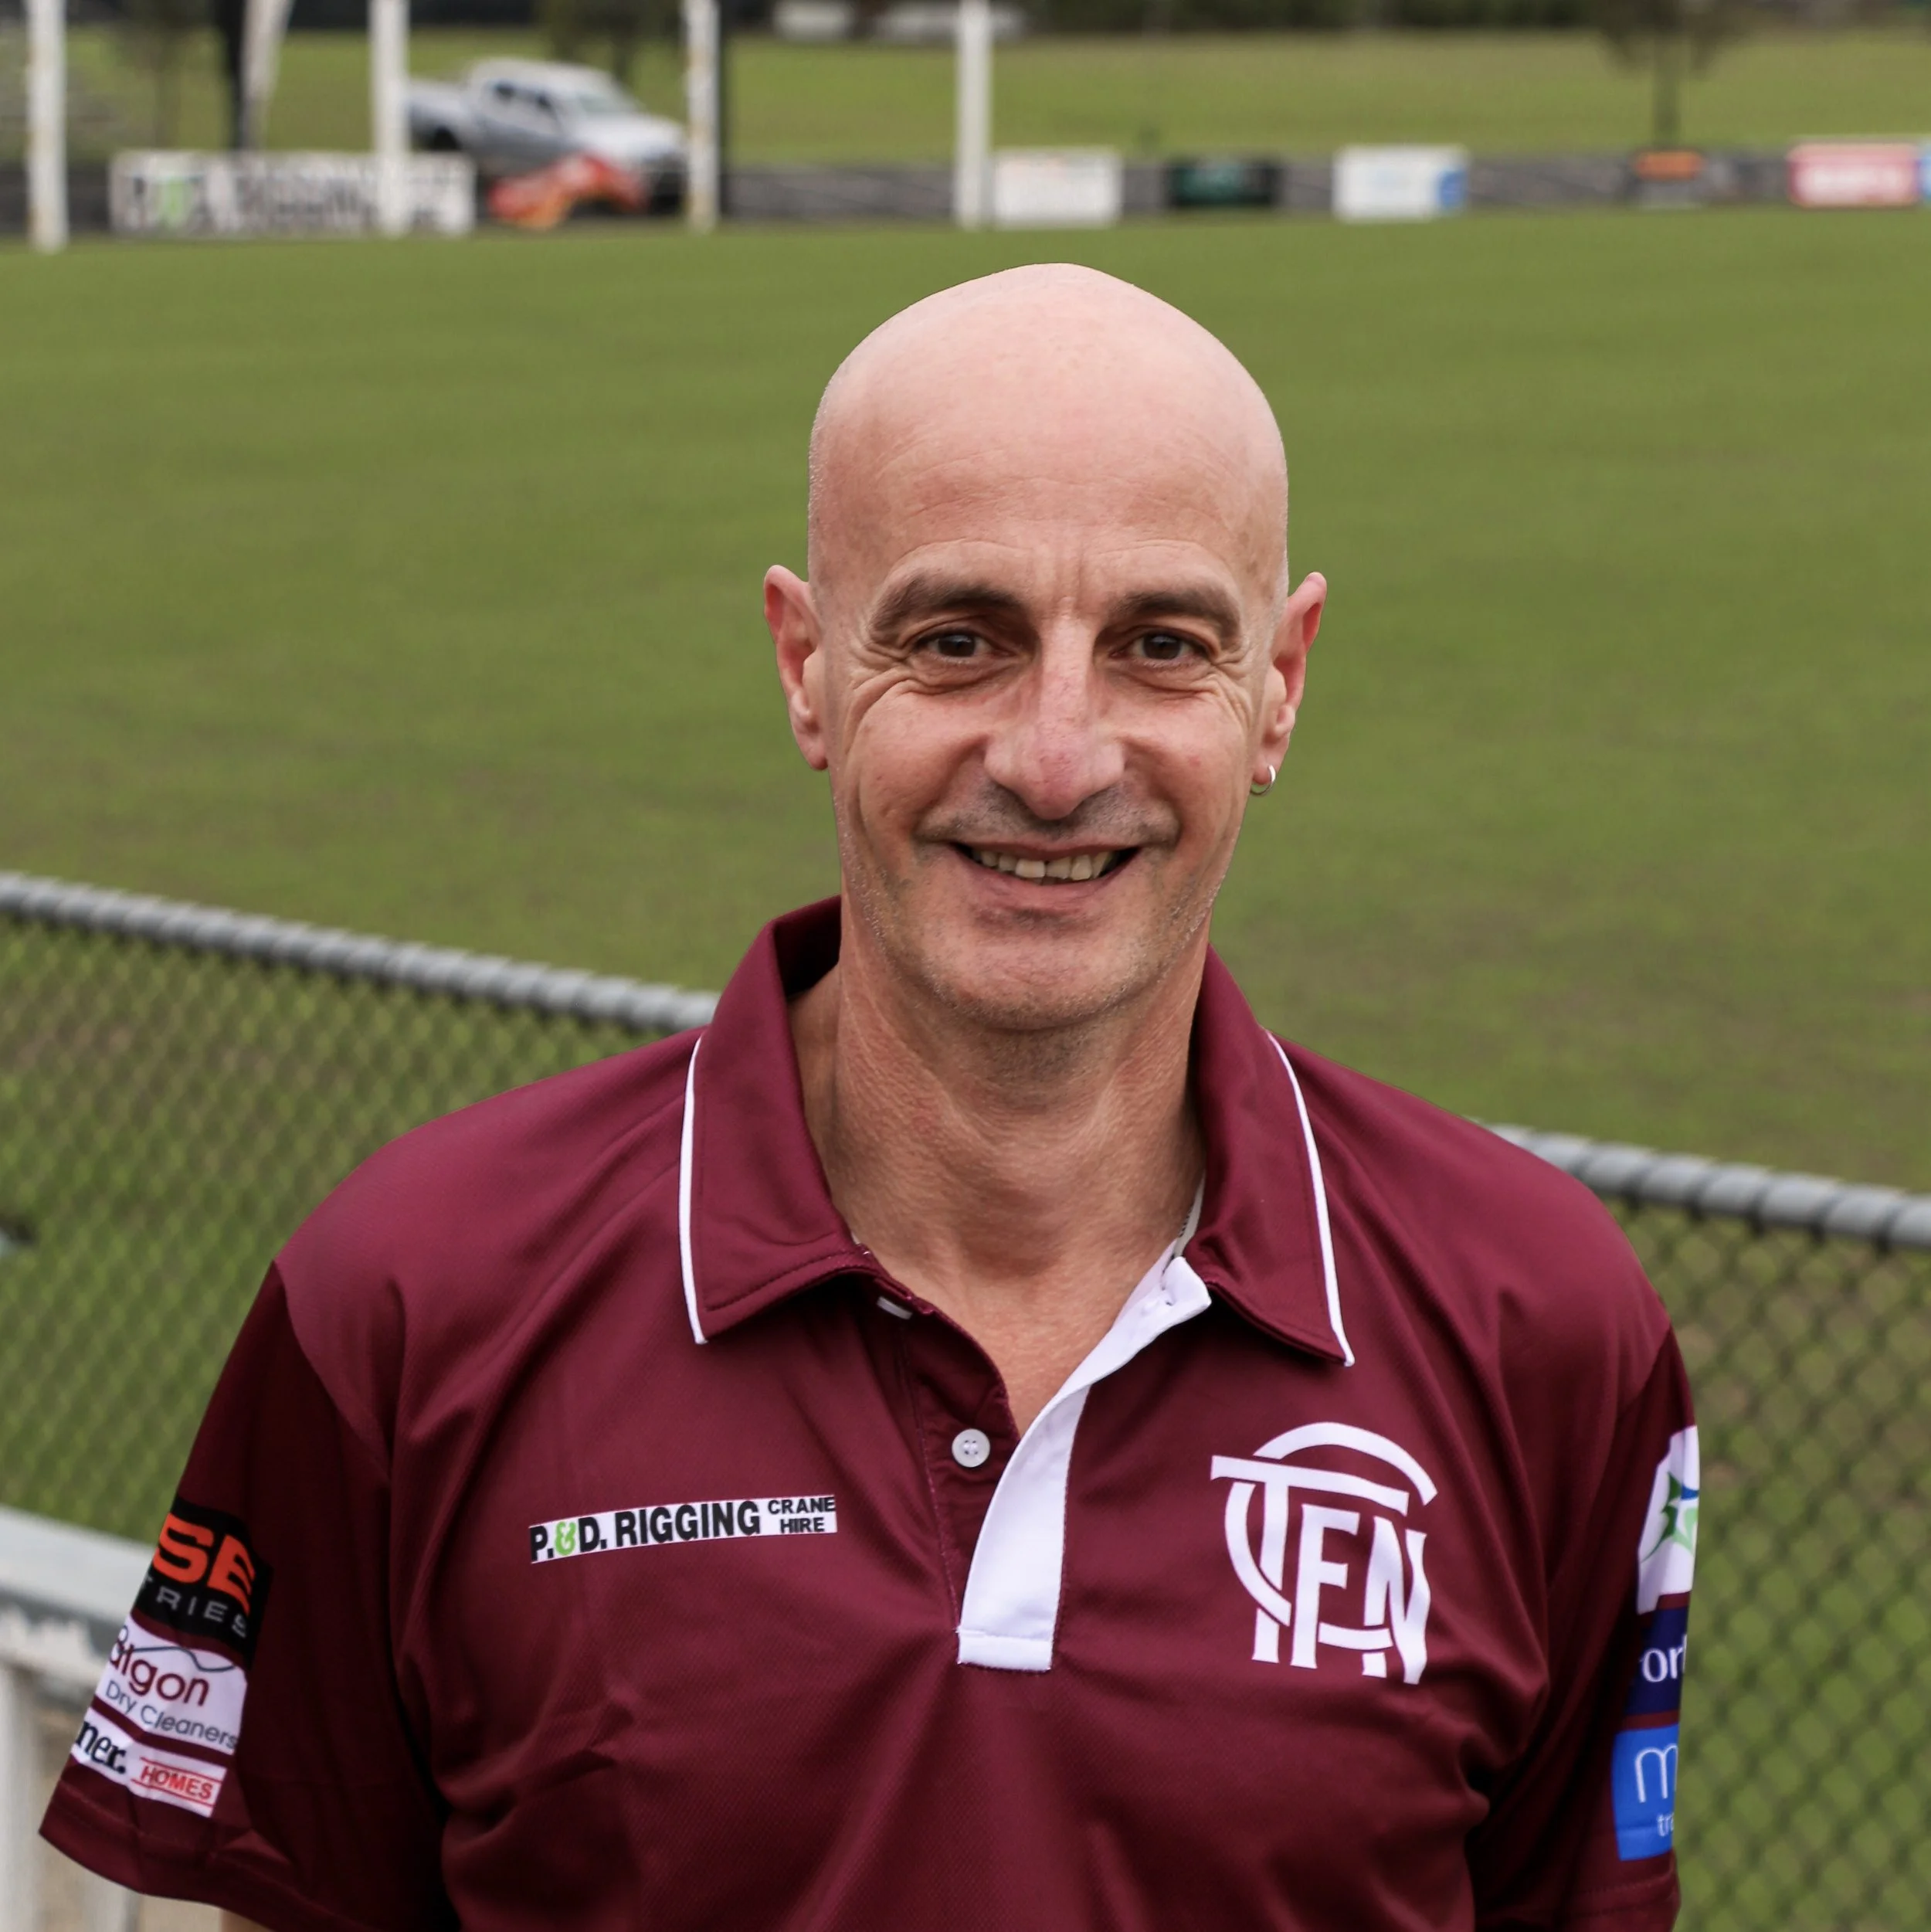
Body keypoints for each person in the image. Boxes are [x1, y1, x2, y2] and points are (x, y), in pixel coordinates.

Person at [44, 265, 1697, 1930]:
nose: (1056, 757)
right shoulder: (409, 1302)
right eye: (958, 639)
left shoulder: (1540, 1328)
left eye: (1159, 645)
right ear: (806, 665)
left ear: (1278, 682)